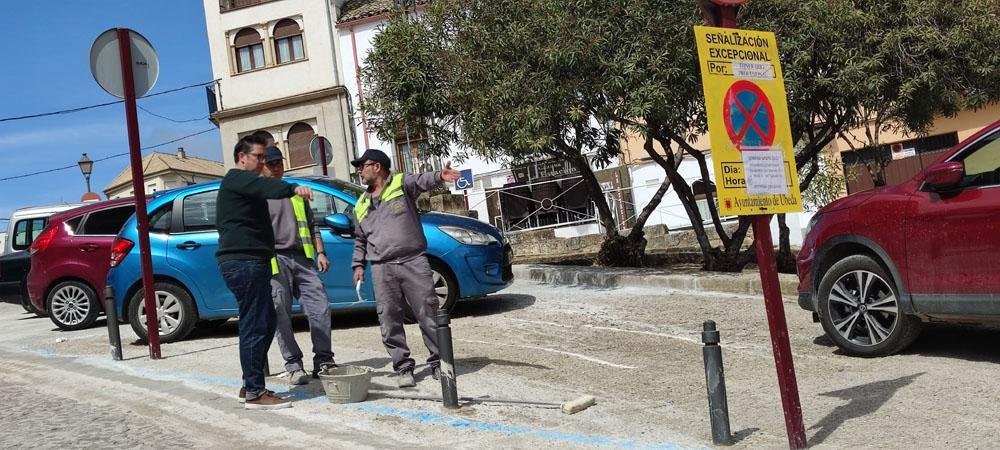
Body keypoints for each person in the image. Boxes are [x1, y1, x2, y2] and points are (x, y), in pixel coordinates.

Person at [216, 135, 313, 410]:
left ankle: (250, 384)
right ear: (241, 157)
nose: (262, 163)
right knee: (255, 323)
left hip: (251, 261)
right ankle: (256, 392)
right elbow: (265, 186)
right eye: (258, 157)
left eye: (263, 158)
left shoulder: (245, 185)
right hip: (244, 262)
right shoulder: (237, 178)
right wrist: (293, 187)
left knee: (264, 320)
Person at [351, 149, 461, 388]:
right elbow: (360, 239)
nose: (359, 170)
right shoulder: (360, 204)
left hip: (413, 261)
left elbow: (422, 180)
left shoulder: (401, 183)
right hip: (382, 267)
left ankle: (439, 364)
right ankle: (403, 368)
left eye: (363, 165)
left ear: (377, 167)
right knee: (389, 319)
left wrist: (440, 176)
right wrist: (358, 265)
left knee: (428, 313)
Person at [261, 146, 336, 386]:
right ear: (262, 166)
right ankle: (293, 364)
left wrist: (321, 252)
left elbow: (313, 226)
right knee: (279, 312)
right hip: (275, 261)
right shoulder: (258, 195)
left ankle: (324, 360)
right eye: (271, 164)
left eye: (279, 163)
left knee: (320, 306)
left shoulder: (295, 192)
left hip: (302, 259)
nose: (276, 167)